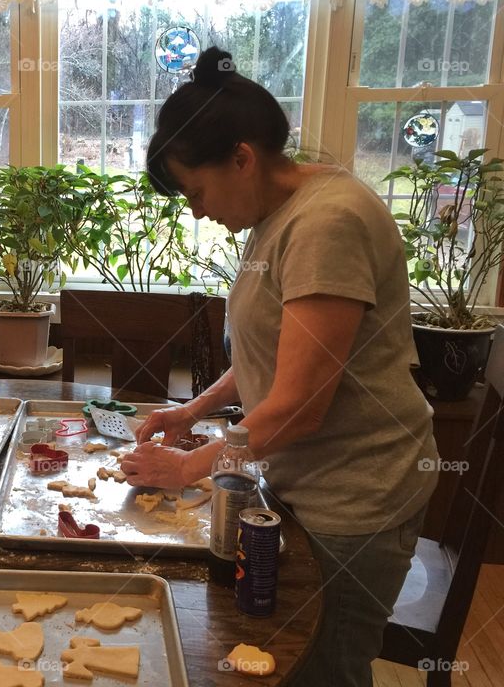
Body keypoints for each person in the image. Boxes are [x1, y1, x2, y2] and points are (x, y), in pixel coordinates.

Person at [122, 47, 438, 687]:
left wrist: (185, 468)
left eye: (197, 190)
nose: (198, 210)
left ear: (243, 158)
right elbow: (273, 351)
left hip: (354, 497)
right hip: (303, 485)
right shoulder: (278, 214)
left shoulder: (326, 223)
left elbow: (299, 401)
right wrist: (193, 410)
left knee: (324, 669)